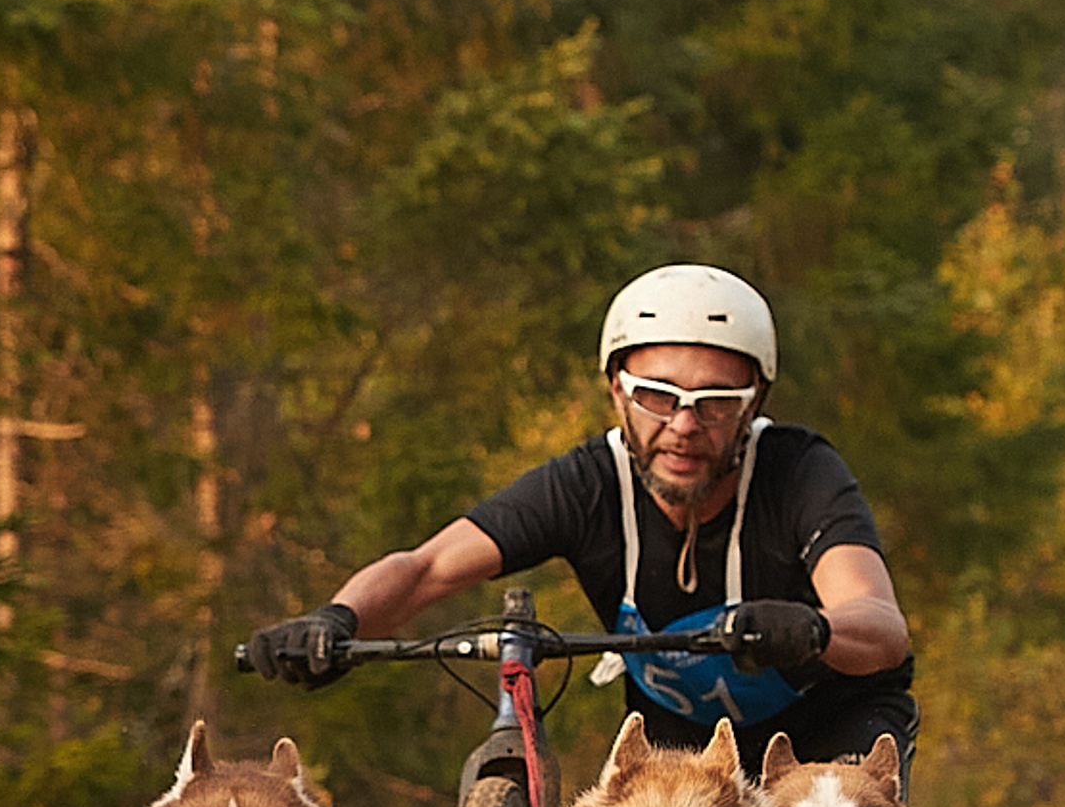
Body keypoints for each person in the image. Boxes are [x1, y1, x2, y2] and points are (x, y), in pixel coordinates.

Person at [243, 264, 917, 774]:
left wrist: (812, 628)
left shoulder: (800, 471)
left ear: (755, 401)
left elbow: (880, 625)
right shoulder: (587, 484)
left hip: (830, 729)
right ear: (617, 391)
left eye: (714, 403)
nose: (683, 427)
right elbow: (424, 571)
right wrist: (338, 620)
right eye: (657, 397)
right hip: (678, 741)